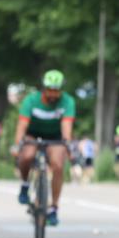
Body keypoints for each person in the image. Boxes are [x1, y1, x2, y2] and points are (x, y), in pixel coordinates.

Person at [12, 70, 75, 227]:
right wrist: (17, 144)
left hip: (55, 137)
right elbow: (22, 125)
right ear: (44, 89)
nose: (53, 94)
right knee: (26, 156)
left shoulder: (67, 101)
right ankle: (25, 184)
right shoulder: (31, 100)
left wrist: (67, 144)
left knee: (58, 165)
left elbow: (66, 125)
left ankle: (53, 208)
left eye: (56, 90)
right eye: (50, 90)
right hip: (32, 135)